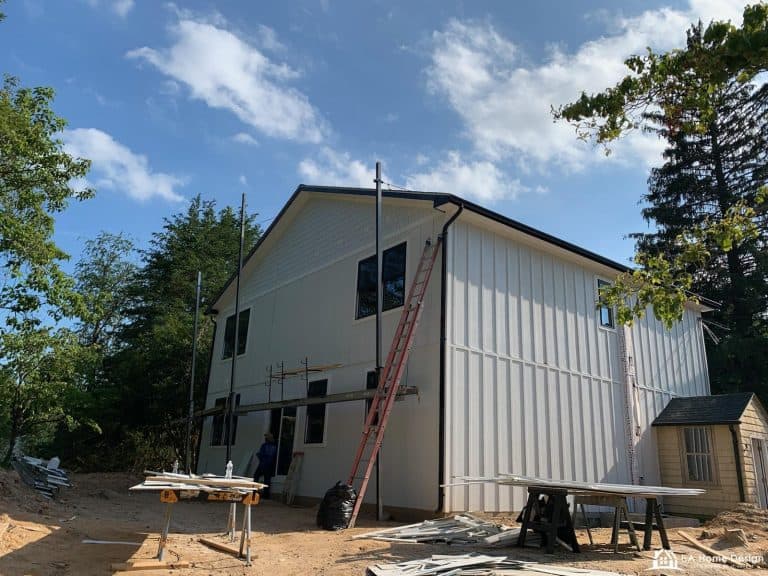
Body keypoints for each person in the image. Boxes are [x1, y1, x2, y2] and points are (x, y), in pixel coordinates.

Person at [253, 432, 277, 498]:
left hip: (263, 464)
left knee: (256, 476)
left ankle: (254, 492)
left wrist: (259, 455)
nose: (265, 438)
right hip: (269, 464)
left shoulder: (265, 445)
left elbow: (263, 454)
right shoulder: (274, 446)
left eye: (266, 437)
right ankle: (266, 495)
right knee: (267, 480)